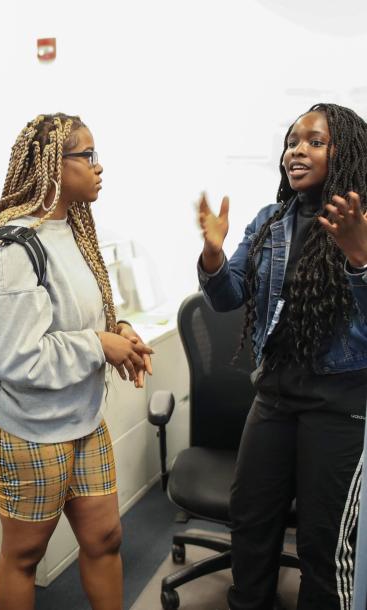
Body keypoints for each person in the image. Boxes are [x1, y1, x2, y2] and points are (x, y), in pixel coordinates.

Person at [197, 103, 367, 610]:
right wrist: (212, 256)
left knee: (322, 540)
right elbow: (227, 297)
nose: (297, 150)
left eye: (314, 141)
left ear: (346, 154)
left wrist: (360, 256)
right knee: (250, 519)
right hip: (273, 396)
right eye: (292, 141)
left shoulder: (362, 224)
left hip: (341, 406)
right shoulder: (271, 222)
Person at [0, 113, 153, 610]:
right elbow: (18, 357)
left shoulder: (74, 231)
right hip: (33, 430)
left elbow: (86, 314)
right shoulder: (16, 246)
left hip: (83, 421)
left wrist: (118, 329)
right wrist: (99, 346)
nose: (98, 166)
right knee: (25, 554)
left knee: (105, 537)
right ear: (51, 165)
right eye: (87, 155)